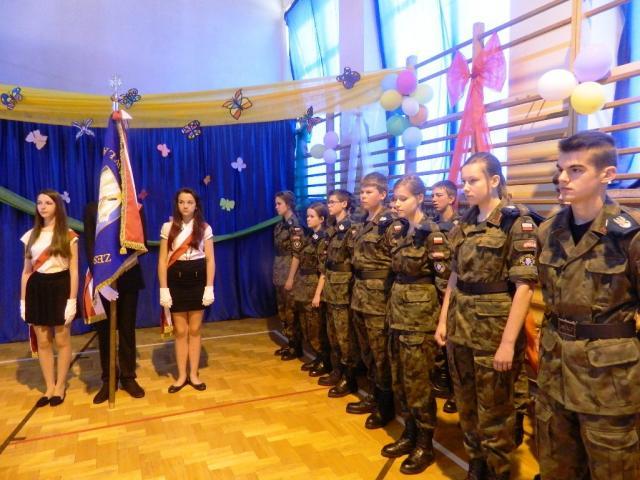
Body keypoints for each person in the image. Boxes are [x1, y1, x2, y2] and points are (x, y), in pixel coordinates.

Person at [535, 131, 640, 479]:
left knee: (613, 470)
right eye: (561, 169)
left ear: (607, 174)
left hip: (608, 383)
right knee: (556, 468)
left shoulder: (630, 236)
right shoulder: (548, 232)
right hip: (555, 372)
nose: (563, 178)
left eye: (576, 170)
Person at [435, 152, 538, 480]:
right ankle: (476, 463)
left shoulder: (515, 222)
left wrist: (508, 343)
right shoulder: (465, 222)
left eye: (473, 180)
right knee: (466, 404)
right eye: (463, 181)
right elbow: (454, 276)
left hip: (493, 332)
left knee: (495, 412)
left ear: (494, 180)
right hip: (460, 327)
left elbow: (524, 287)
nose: (465, 187)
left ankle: (498, 470)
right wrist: (443, 320)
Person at [382, 175, 451, 474]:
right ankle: (409, 433)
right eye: (395, 198)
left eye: (403, 198)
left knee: (419, 384)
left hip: (420, 319)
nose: (397, 204)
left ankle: (425, 443)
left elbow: (445, 283)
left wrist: (442, 323)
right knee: (400, 380)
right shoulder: (400, 230)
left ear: (419, 198)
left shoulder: (432, 235)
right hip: (397, 315)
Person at [348, 172, 398, 429]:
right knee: (367, 350)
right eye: (362, 192)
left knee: (380, 354)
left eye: (369, 192)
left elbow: (397, 261)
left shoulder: (390, 224)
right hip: (360, 294)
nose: (363, 196)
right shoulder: (362, 221)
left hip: (378, 297)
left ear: (383, 194)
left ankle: (386, 405)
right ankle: (373, 395)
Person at [83, 202, 147, 404]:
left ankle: (128, 377)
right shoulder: (93, 209)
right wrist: (101, 278)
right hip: (103, 279)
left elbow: (142, 241)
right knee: (104, 333)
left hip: (129, 274)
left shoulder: (134, 207)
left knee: (127, 330)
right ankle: (108, 379)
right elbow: (90, 246)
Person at [20, 189, 79, 407]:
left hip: (61, 286)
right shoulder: (30, 235)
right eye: (39, 203)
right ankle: (49, 387)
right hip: (37, 288)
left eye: (48, 203)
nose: (43, 207)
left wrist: (72, 300)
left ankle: (61, 386)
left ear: (57, 206)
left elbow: (74, 271)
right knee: (43, 341)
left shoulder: (69, 235)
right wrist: (23, 301)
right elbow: (26, 271)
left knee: (62, 340)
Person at [158, 188, 215, 393]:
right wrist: (164, 289)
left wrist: (209, 287)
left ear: (196, 205)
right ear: (177, 204)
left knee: (195, 329)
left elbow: (210, 260)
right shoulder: (168, 227)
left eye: (189, 202)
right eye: (181, 202)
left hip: (198, 280)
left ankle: (194, 374)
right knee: (180, 331)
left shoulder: (205, 228)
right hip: (176, 280)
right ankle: (182, 375)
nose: (185, 206)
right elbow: (162, 261)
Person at [318, 189, 360, 396]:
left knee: (345, 337)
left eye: (333, 202)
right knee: (333, 334)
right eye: (329, 202)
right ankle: (337, 370)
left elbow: (355, 262)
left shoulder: (352, 228)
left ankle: (349, 378)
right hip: (331, 287)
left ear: (345, 204)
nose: (329, 205)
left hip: (344, 289)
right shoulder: (332, 229)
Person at [430, 179, 460, 414]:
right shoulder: (432, 225)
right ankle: (442, 380)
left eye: (439, 195)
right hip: (434, 288)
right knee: (438, 339)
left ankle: (456, 392)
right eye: (432, 195)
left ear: (451, 198)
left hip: (452, 289)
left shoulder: (460, 225)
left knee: (453, 343)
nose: (434, 199)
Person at [291, 202, 330, 376]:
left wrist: (317, 294)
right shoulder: (311, 237)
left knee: (316, 327)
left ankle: (324, 360)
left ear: (322, 219)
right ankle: (317, 357)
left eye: (312, 216)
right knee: (307, 325)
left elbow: (323, 271)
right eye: (307, 216)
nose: (308, 219)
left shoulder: (323, 239)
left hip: (314, 285)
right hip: (303, 286)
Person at [273, 191, 302, 360]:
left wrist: (290, 278)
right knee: (282, 310)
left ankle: (296, 346)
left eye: (279, 204)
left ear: (288, 205)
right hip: (279, 270)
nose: (276, 207)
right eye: (276, 203)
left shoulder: (295, 225)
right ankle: (290, 342)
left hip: (290, 272)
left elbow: (297, 254)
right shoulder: (280, 225)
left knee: (291, 311)